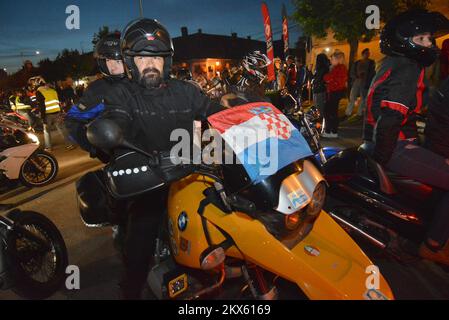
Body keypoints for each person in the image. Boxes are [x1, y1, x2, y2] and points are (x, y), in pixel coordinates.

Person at [96, 18, 223, 299]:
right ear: (130, 62)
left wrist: (244, 111)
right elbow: (115, 123)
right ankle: (130, 288)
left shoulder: (186, 91)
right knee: (139, 238)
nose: (150, 64)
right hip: (148, 179)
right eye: (142, 57)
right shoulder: (122, 96)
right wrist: (113, 137)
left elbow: (215, 111)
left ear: (167, 61)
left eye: (156, 57)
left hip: (192, 174)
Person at [364, 9, 449, 265]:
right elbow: (390, 118)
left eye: (430, 39)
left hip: (388, 141)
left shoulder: (393, 62)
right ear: (405, 41)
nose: (429, 44)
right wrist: (381, 160)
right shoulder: (407, 67)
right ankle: (434, 245)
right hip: (394, 146)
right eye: (422, 39)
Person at [65, 32, 126, 160]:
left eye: (118, 60)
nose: (113, 66)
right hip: (119, 157)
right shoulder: (97, 89)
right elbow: (73, 118)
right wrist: (93, 146)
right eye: (108, 60)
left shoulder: (140, 82)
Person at [32, 76, 75, 151]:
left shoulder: (39, 92)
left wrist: (42, 116)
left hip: (47, 114)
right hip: (57, 112)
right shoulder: (52, 90)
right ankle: (69, 144)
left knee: (46, 131)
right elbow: (58, 101)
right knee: (62, 128)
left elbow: (41, 105)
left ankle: (48, 147)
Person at [322, 50, 348, 138]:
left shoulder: (339, 68)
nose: (331, 61)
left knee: (330, 112)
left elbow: (327, 78)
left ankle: (332, 131)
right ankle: (330, 131)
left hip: (334, 92)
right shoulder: (339, 68)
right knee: (330, 111)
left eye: (332, 59)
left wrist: (329, 80)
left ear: (338, 59)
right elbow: (329, 78)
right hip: (334, 92)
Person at [345, 48, 375, 121]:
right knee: (352, 96)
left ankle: (360, 113)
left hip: (365, 82)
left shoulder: (371, 62)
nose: (368, 54)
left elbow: (372, 73)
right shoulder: (357, 63)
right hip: (357, 81)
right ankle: (348, 112)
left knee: (363, 97)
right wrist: (356, 76)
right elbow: (352, 73)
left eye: (368, 53)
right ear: (363, 54)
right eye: (366, 53)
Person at [312, 53, 330, 126]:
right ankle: (320, 123)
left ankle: (320, 124)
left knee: (319, 107)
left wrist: (314, 80)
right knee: (318, 106)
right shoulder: (323, 68)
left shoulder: (323, 69)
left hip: (320, 89)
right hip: (318, 89)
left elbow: (319, 79)